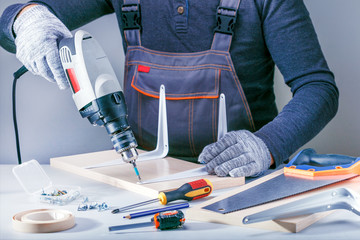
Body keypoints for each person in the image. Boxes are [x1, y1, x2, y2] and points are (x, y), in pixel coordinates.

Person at [0, 0, 338, 178]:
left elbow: (317, 87)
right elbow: (11, 22)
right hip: (144, 181)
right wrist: (26, 22)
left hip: (244, 180)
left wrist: (268, 145)